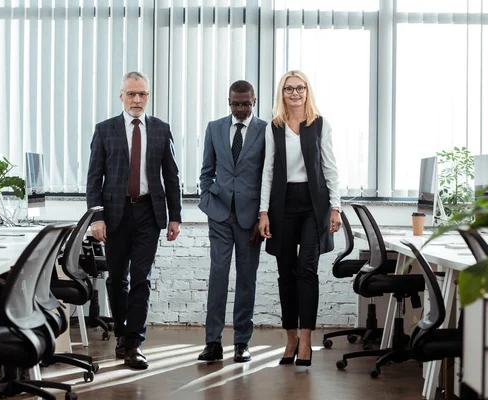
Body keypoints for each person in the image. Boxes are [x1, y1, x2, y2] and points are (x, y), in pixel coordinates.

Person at [86, 71, 182, 370]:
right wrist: (97, 217)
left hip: (148, 213)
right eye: (131, 94)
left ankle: (134, 344)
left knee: (142, 279)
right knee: (117, 280)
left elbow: (172, 176)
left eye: (142, 94)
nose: (137, 99)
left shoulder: (160, 130)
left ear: (148, 96)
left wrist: (175, 216)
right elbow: (93, 178)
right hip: (115, 214)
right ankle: (122, 334)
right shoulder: (105, 130)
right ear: (121, 96)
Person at [258, 70, 342, 367]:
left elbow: (329, 168)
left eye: (300, 88)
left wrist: (336, 207)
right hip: (282, 206)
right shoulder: (274, 127)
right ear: (282, 94)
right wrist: (263, 211)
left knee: (307, 270)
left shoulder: (319, 125)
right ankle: (290, 338)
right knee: (286, 274)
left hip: (313, 206)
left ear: (308, 91)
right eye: (289, 89)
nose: (295, 93)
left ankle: (306, 339)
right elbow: (268, 171)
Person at [197, 80, 267, 363]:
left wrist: (263, 215)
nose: (239, 108)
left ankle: (241, 342)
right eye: (234, 103)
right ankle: (212, 342)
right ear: (229, 101)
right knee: (218, 276)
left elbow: (268, 176)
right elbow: (206, 171)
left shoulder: (266, 130)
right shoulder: (214, 128)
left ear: (254, 101)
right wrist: (207, 201)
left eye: (245, 103)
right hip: (220, 214)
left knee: (246, 279)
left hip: (251, 219)